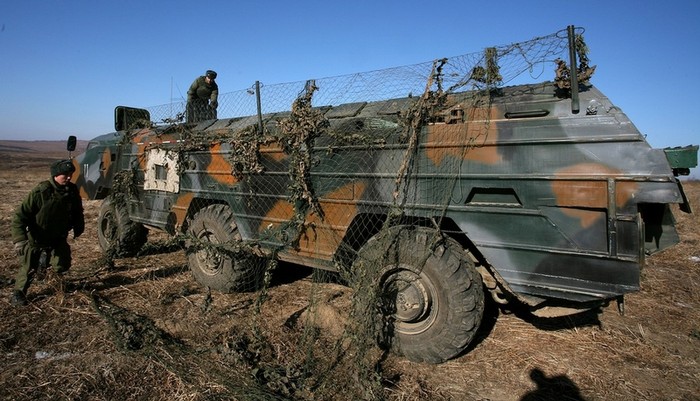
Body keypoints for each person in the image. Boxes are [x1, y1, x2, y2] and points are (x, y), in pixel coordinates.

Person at [10, 159, 85, 306]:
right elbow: (20, 216)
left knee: (62, 264)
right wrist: (19, 239)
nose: (69, 177)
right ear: (55, 175)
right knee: (28, 268)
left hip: (58, 237)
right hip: (37, 238)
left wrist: (78, 227)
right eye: (65, 174)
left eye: (71, 174)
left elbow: (77, 212)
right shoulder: (41, 192)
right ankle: (18, 293)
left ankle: (56, 283)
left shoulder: (72, 191)